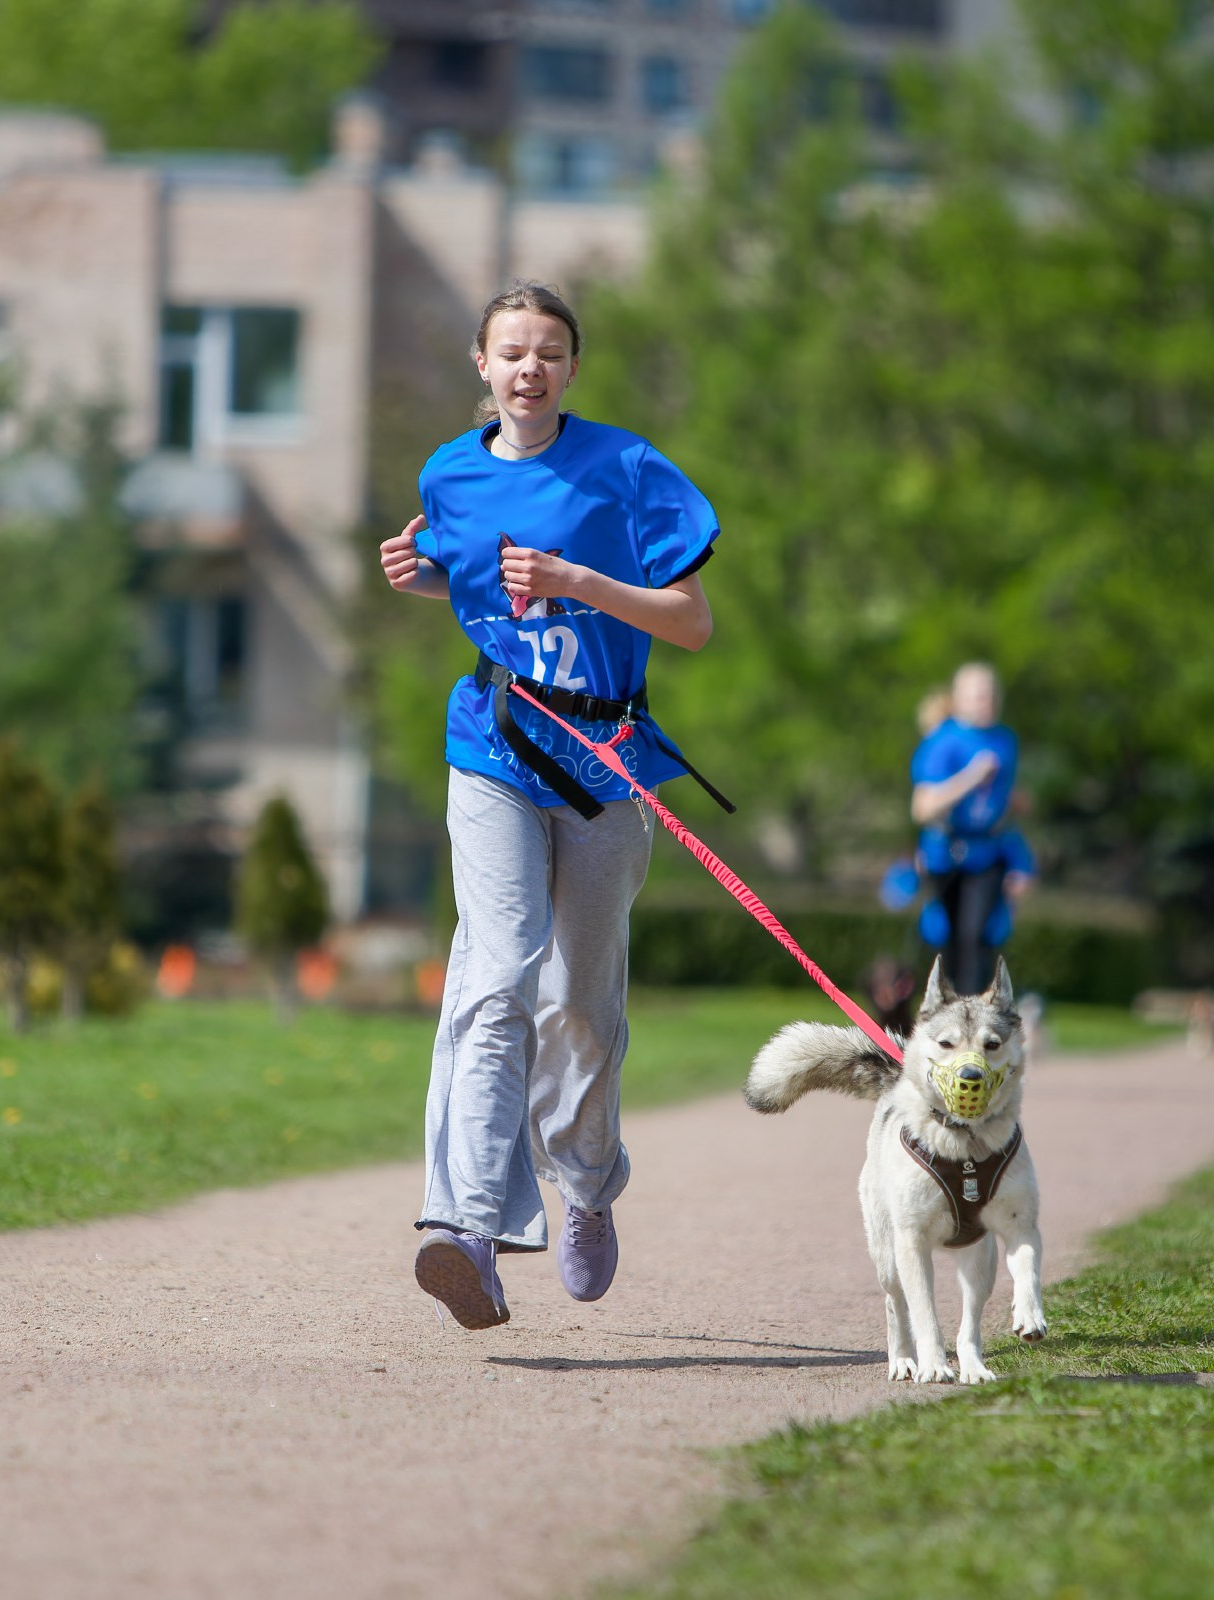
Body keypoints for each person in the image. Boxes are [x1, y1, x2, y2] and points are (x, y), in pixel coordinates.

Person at [376, 281, 720, 1331]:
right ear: (482, 364)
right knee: (495, 970)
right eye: (511, 351)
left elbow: (693, 623)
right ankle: (467, 1228)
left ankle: (586, 1181)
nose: (530, 367)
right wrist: (422, 577)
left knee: (582, 1001)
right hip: (494, 744)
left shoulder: (625, 469)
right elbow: (481, 585)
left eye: (550, 352)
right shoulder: (450, 472)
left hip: (606, 756)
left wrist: (580, 580)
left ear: (572, 369)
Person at [909, 663, 1035, 997]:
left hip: (987, 853)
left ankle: (974, 1015)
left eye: (992, 694)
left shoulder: (1005, 740)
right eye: (979, 695)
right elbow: (922, 807)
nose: (987, 701)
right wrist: (971, 778)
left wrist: (1021, 860)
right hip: (945, 854)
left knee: (978, 935)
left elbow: (996, 807)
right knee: (943, 936)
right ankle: (939, 1016)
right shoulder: (943, 741)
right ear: (959, 699)